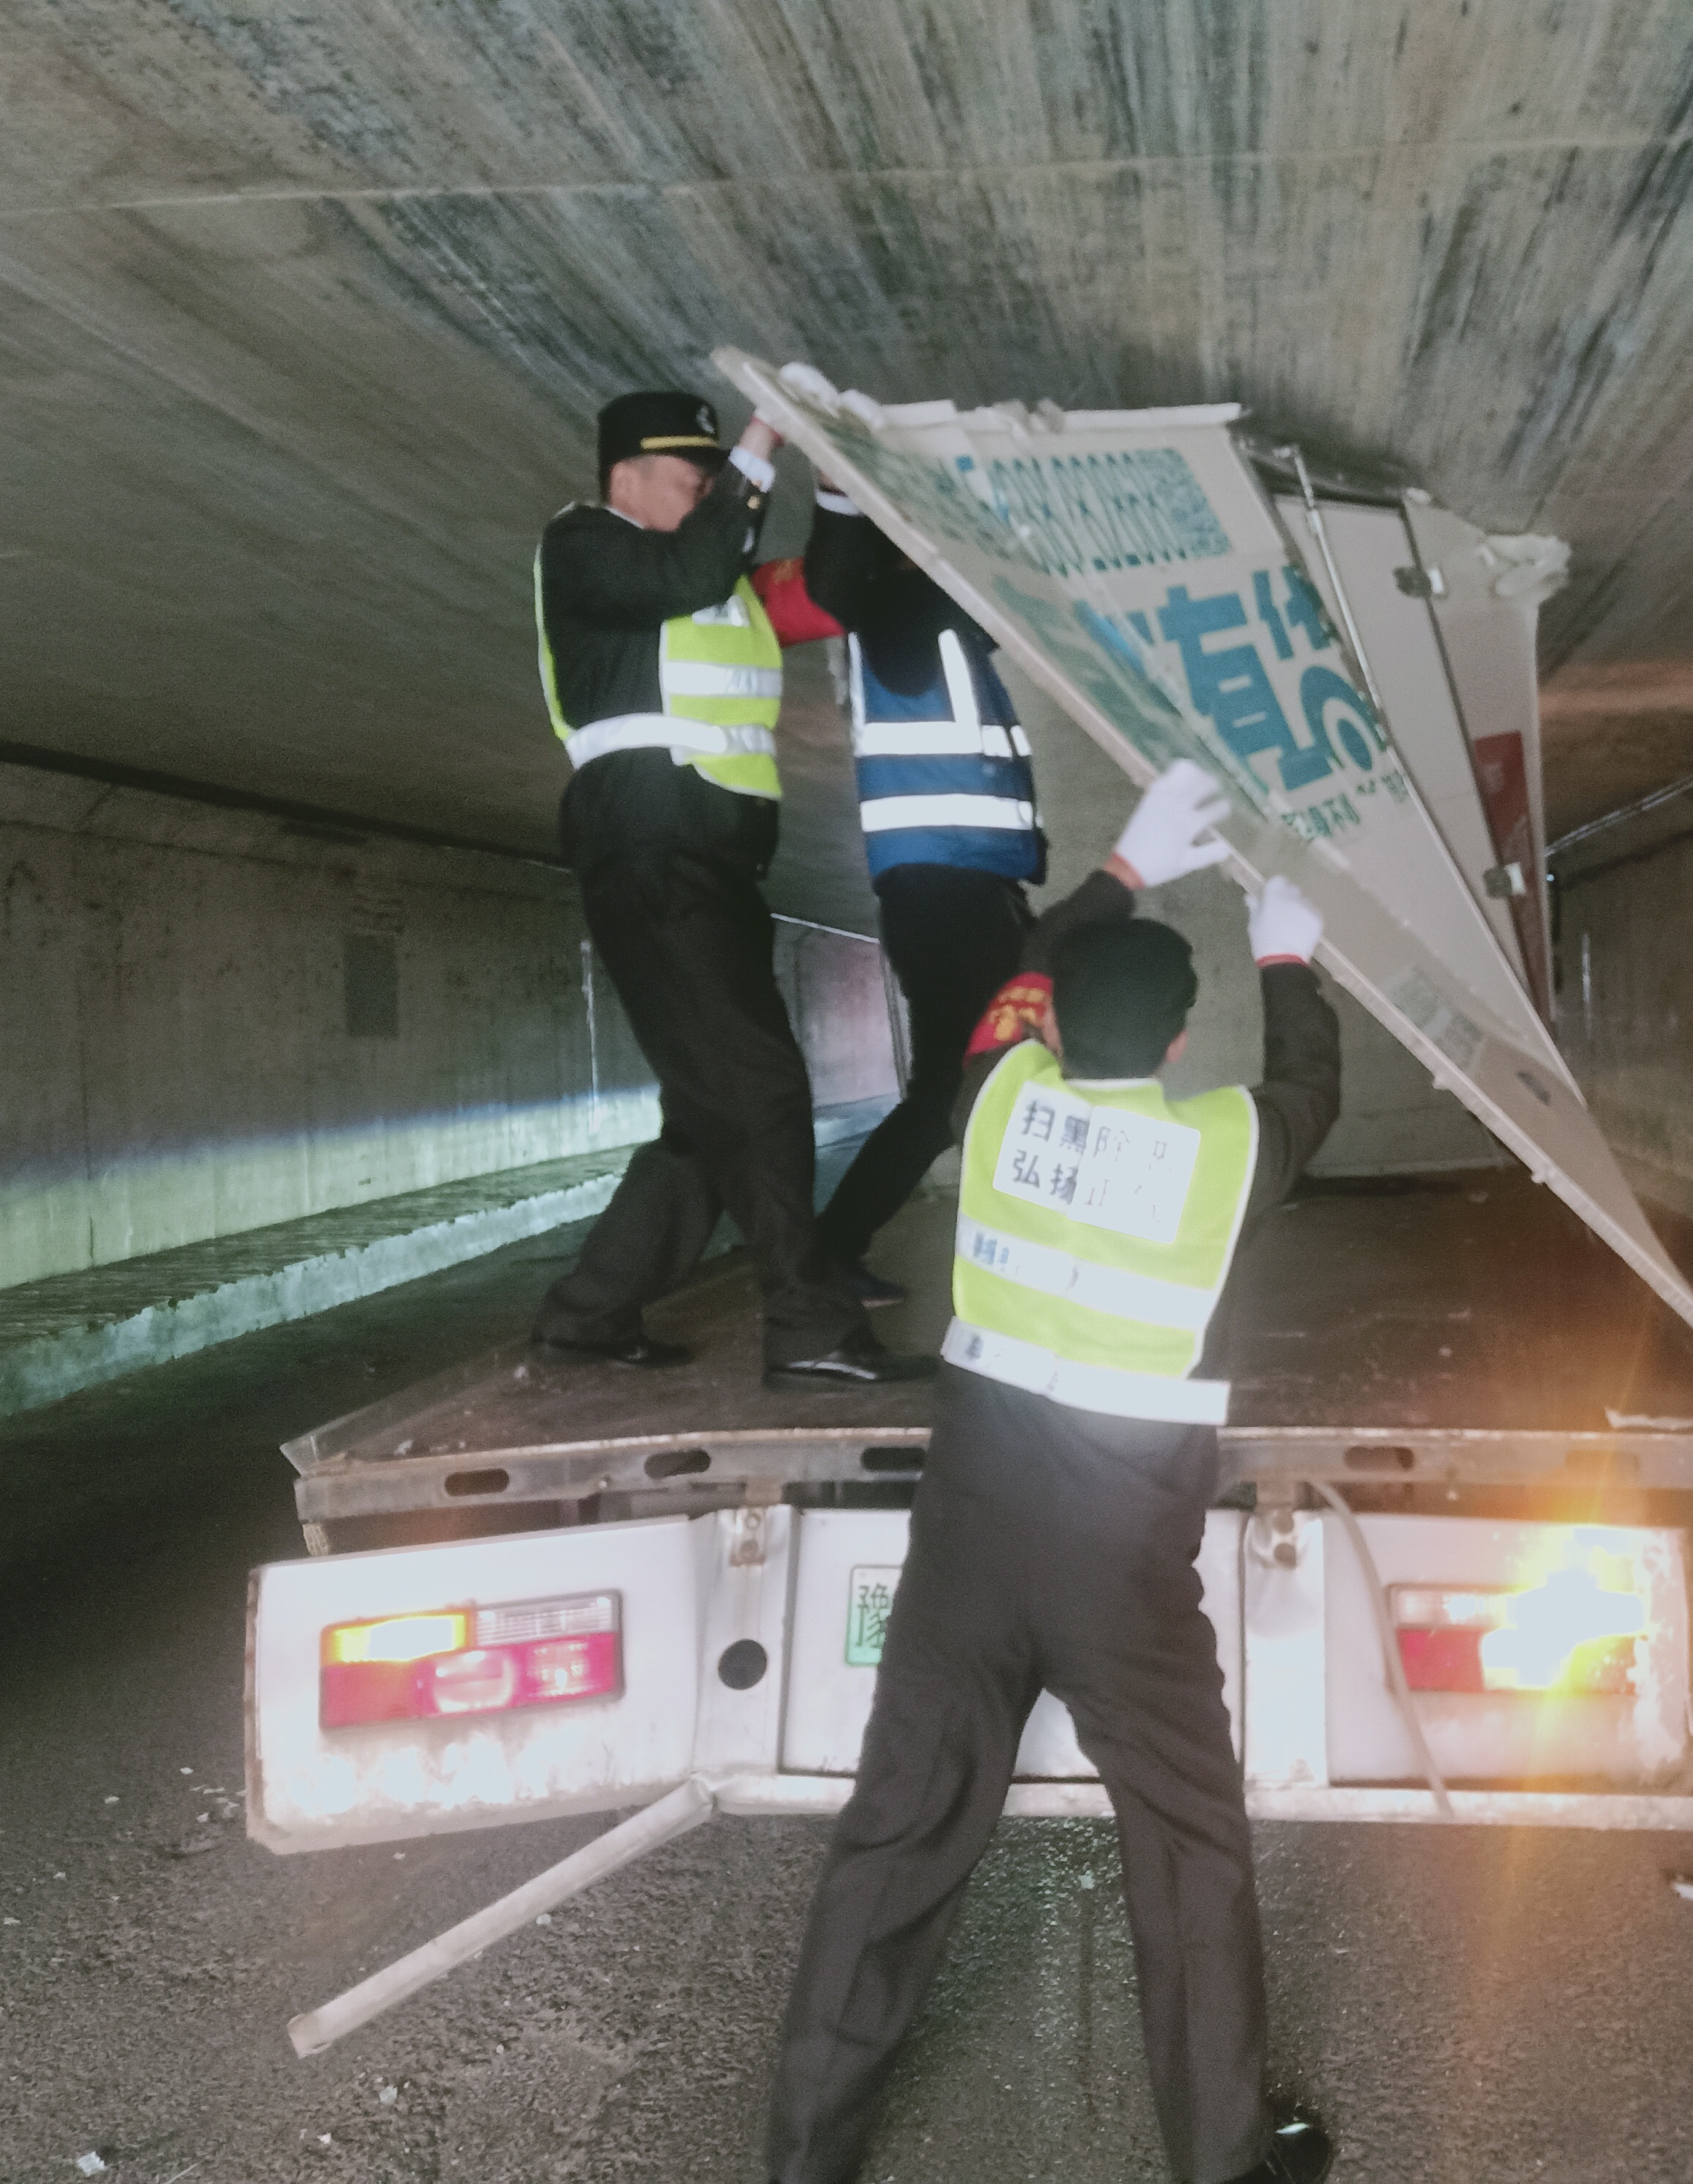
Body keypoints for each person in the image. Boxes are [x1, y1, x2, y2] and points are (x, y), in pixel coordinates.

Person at [766, 759, 1343, 2184]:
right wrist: (1286, 954)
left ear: (1054, 1027)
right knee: (1186, 1843)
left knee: (898, 1833)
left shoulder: (998, 1098)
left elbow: (1010, 981)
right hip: (1120, 1567)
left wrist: (1120, 872)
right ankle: (1223, 2159)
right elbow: (1310, 1089)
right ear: (1179, 1042)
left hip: (967, 1541)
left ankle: (804, 2159)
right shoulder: (1219, 1153)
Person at [528, 389, 930, 1391]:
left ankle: (587, 1316)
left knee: (710, 1116)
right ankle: (808, 1327)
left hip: (712, 865)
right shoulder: (585, 547)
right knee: (761, 1091)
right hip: (649, 851)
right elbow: (692, 566)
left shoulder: (726, 588)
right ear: (623, 477)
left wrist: (834, 484)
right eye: (691, 477)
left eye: (716, 479)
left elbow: (833, 593)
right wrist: (761, 441)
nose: (710, 492)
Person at [796, 478, 1049, 1305]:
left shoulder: (941, 636)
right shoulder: (902, 621)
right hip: (945, 895)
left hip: (967, 888)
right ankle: (832, 1250)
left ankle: (841, 1248)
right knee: (953, 1088)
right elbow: (868, 588)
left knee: (986, 1075)